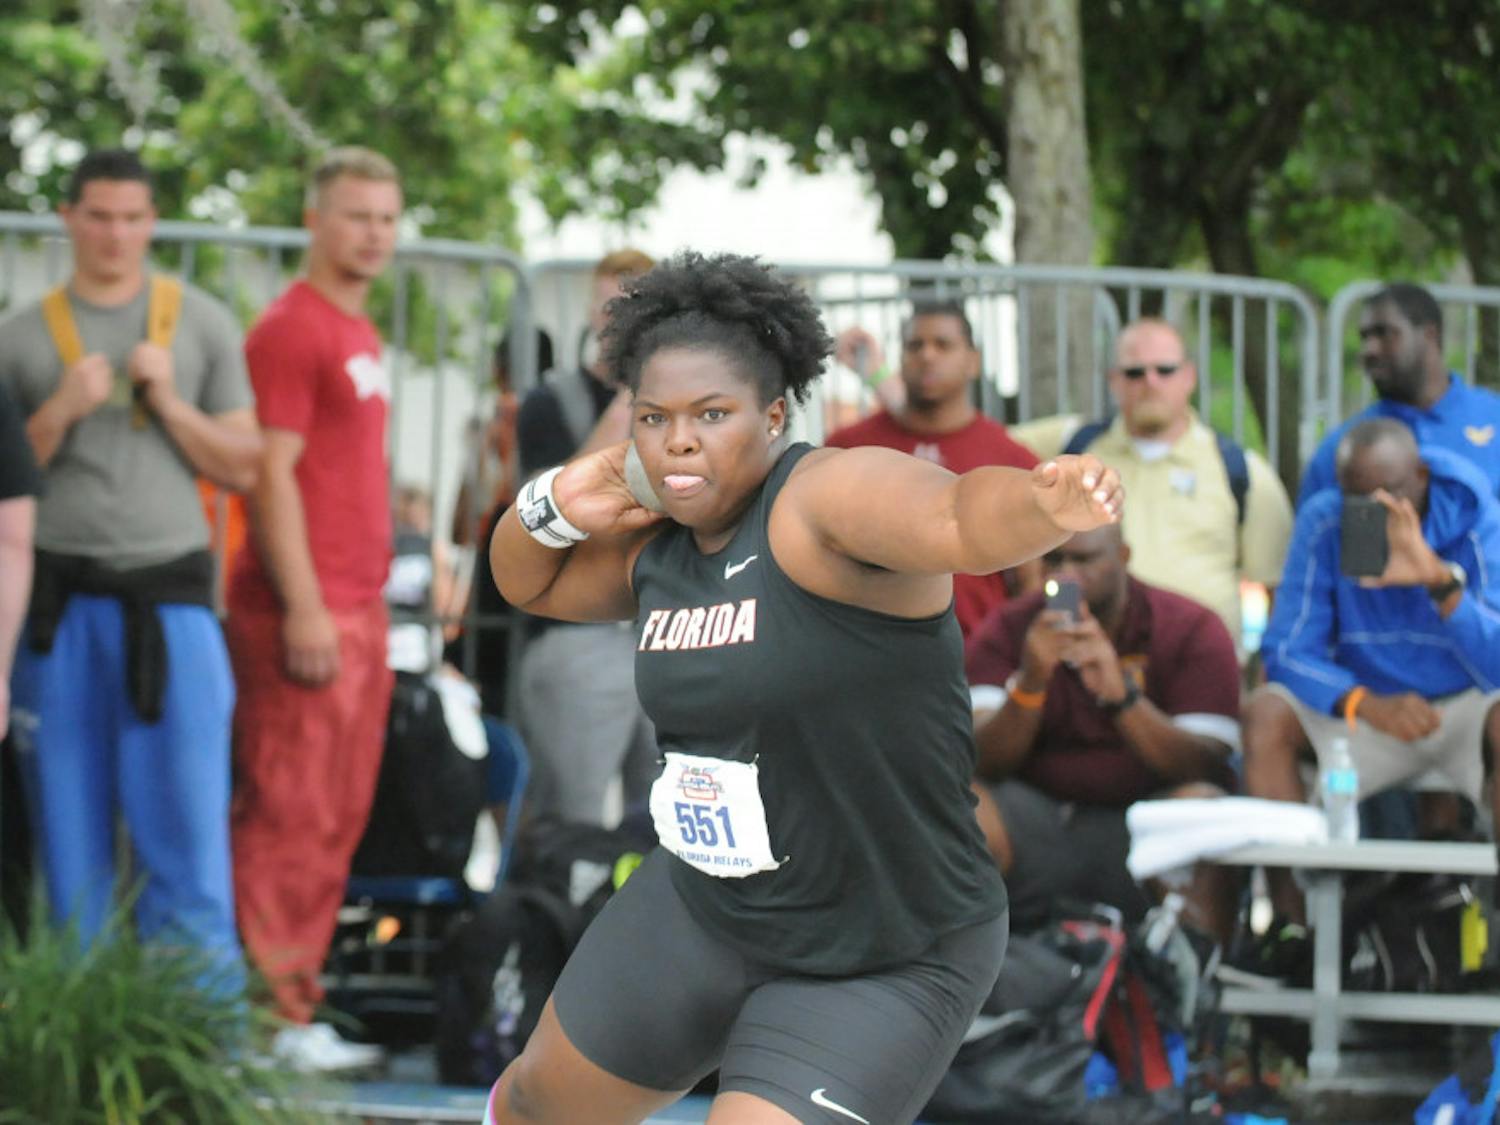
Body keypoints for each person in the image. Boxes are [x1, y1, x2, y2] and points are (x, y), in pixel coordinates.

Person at [483, 251, 1122, 1125]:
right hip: (708, 904)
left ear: (774, 413)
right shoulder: (658, 542)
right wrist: (557, 496)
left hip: (883, 944)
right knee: (531, 1102)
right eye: (654, 417)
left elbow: (955, 514)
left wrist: (1047, 505)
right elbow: (528, 584)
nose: (680, 440)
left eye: (713, 414)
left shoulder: (821, 499)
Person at [0, 149, 260, 979]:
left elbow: (245, 464)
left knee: (185, 827)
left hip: (170, 597)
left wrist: (170, 402)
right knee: (65, 836)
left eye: (131, 217)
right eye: (99, 215)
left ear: (152, 223)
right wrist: (60, 410)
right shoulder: (22, 334)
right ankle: (70, 1043)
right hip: (56, 602)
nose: (115, 234)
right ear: (70, 218)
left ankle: (199, 1040)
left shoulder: (203, 321)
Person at [225, 146, 401, 1072]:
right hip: (306, 608)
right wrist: (302, 605)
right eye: (355, 214)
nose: (373, 232)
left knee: (334, 813)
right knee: (287, 808)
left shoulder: (357, 329)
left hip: (361, 604)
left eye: (385, 216)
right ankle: (258, 1021)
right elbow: (268, 474)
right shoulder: (291, 328)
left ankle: (291, 1009)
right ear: (314, 220)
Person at [1244, 418, 1500, 930]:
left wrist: (1438, 582)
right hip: (1367, 716)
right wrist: (1362, 703)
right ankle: (1294, 934)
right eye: (1355, 496)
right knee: (1265, 713)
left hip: (1463, 710)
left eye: (1389, 493)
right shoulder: (1325, 522)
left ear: (1422, 476)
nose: (1371, 509)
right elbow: (1287, 650)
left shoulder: (1477, 519)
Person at [965, 523, 1242, 941]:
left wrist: (1122, 698)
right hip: (1039, 821)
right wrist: (1030, 684)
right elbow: (981, 758)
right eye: (1054, 559)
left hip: (1144, 824)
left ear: (1124, 557)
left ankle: (1198, 985)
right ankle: (965, 977)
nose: (1066, 575)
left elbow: (1206, 764)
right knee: (961, 802)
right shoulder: (1008, 627)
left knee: (1203, 808)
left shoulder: (1189, 626)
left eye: (1084, 559)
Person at [1012, 317, 1293, 654]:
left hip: (1200, 665)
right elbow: (980, 444)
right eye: (1134, 372)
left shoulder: (1242, 470)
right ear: (1113, 381)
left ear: (1189, 377)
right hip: (1078, 655)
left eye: (1165, 369)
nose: (1150, 381)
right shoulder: (1071, 445)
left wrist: (1263, 673)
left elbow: (1279, 591)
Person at [512, 249, 659, 826]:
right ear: (591, 314)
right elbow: (549, 515)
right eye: (611, 307)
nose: (623, 320)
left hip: (661, 631)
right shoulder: (550, 403)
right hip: (578, 636)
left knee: (667, 824)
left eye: (639, 307)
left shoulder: (683, 409)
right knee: (568, 822)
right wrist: (632, 395)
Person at [823, 301, 1042, 638]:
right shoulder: (848, 447)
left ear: (974, 361)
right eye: (915, 345)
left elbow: (1031, 579)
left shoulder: (1010, 457)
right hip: (863, 650)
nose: (927, 355)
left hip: (975, 662)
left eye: (943, 345)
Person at [1299, 282, 1500, 504]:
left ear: (1429, 335)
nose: (1370, 350)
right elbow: (1314, 531)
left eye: (1384, 333)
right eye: (1364, 337)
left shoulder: (1492, 417)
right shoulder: (1343, 448)